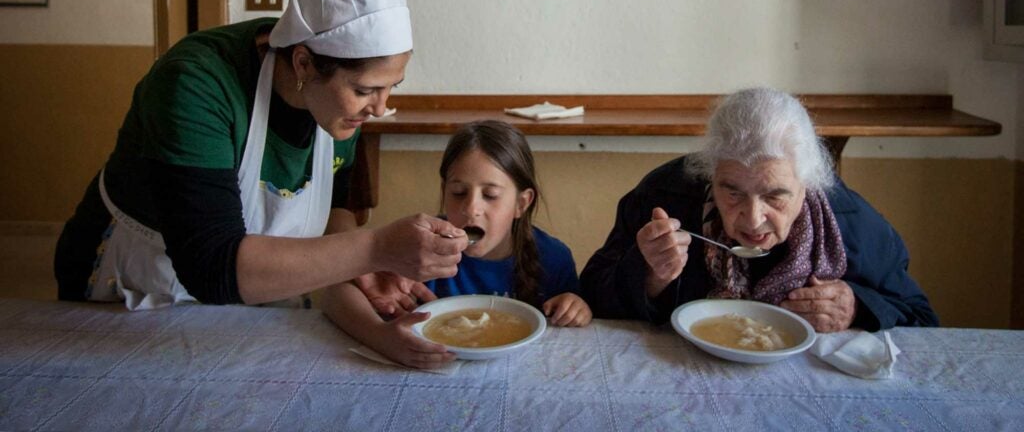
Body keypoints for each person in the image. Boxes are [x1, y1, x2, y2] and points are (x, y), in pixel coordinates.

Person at [54, 0, 469, 311]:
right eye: (365, 91)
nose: (379, 108)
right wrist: (376, 248)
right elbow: (211, 267)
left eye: (390, 88)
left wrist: (365, 267)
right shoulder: (196, 84)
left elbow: (336, 202)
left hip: (251, 284)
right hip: (139, 278)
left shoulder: (338, 104)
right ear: (304, 64)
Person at [580, 88, 938, 332]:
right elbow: (591, 294)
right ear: (710, 171)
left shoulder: (851, 224)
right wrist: (648, 276)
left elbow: (922, 319)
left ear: (808, 183)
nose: (752, 219)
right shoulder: (665, 197)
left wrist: (857, 306)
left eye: (775, 196)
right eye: (732, 192)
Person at [327, 120, 592, 369]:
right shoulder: (416, 248)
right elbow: (334, 295)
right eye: (458, 193)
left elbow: (571, 328)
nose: (471, 209)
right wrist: (379, 334)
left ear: (521, 203)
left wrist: (577, 308)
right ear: (444, 192)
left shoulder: (554, 258)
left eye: (490, 195)